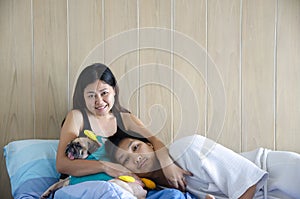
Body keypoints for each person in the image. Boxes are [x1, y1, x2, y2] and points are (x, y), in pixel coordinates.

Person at [56, 63, 191, 191]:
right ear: (83, 97)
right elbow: (62, 164)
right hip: (85, 184)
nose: (99, 101)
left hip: (126, 187)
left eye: (104, 93)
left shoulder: (125, 118)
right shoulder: (77, 117)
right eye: (91, 96)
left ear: (114, 90)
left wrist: (168, 164)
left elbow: (154, 141)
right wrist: (106, 167)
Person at [106, 132, 300, 199]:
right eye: (126, 160)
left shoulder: (188, 147)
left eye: (136, 147)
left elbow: (248, 182)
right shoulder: (161, 190)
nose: (136, 158)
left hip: (281, 175)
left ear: (149, 144)